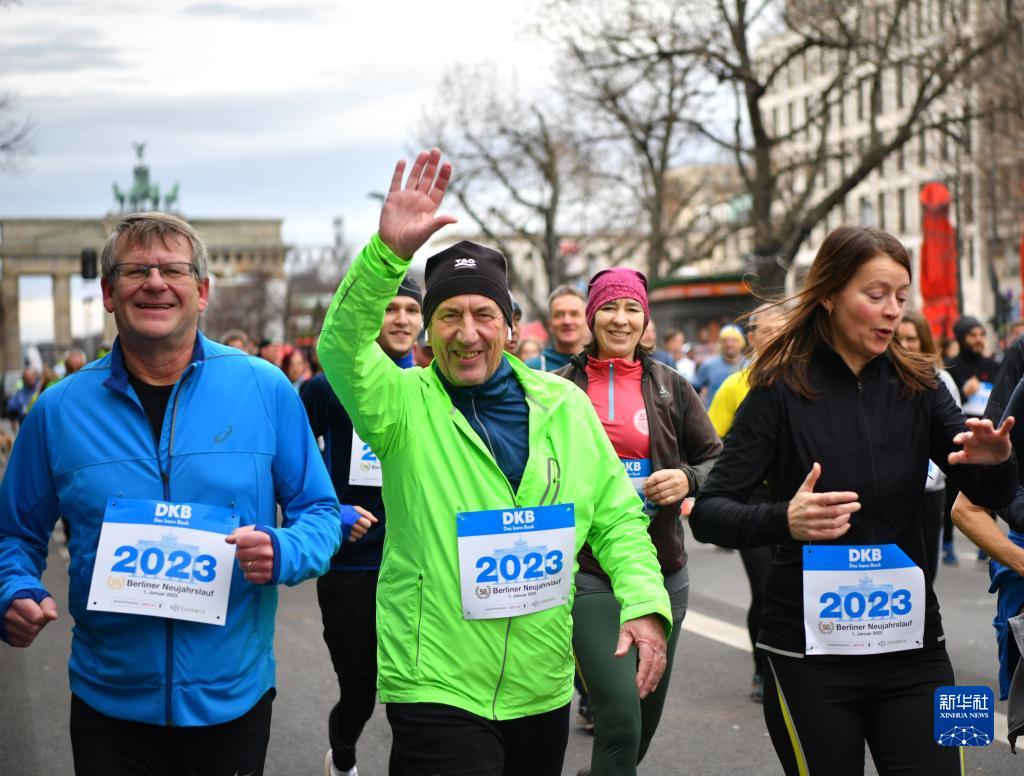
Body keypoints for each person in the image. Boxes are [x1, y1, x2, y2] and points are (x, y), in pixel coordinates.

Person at [317, 148, 672, 776]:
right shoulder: (399, 405)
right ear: (428, 331)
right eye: (448, 316)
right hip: (434, 679)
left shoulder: (563, 405)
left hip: (540, 679)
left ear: (509, 327)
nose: (467, 333)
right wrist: (386, 256)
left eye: (484, 314)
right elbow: (340, 347)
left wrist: (644, 601)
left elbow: (617, 517)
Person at [0, 212, 341, 776]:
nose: (154, 282)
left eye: (173, 270)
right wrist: (13, 589)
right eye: (135, 271)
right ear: (108, 294)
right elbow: (12, 534)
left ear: (202, 291)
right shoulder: (57, 410)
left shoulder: (265, 389)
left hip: (231, 699)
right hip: (109, 705)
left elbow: (321, 512)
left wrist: (285, 549)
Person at [688, 225, 1018, 776]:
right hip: (807, 655)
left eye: (901, 297)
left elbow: (986, 496)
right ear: (829, 294)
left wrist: (998, 464)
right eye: (876, 294)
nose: (892, 311)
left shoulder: (922, 385)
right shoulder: (776, 388)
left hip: (918, 647)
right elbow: (709, 514)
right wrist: (785, 519)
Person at [555, 267, 721, 776]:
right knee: (621, 719)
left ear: (645, 318)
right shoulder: (557, 388)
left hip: (664, 571)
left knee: (641, 728)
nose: (620, 319)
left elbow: (718, 460)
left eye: (632, 308)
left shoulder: (672, 385)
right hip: (589, 572)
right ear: (592, 317)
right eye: (608, 307)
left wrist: (686, 479)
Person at [303, 274, 423, 776]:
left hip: (415, 564)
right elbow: (292, 461)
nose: (401, 319)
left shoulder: (432, 388)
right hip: (351, 565)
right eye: (390, 308)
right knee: (359, 690)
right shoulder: (328, 387)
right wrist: (331, 511)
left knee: (413, 695)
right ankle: (343, 757)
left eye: (411, 310)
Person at [706, 302, 786, 703]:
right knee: (765, 587)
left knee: (793, 586)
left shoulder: (808, 382)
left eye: (783, 331)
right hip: (751, 500)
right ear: (751, 338)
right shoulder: (735, 386)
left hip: (795, 496)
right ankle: (762, 669)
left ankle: (796, 664)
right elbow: (707, 443)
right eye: (767, 332)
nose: (776, 339)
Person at [896, 309, 962, 580]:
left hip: (929, 491)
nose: (904, 345)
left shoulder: (941, 380)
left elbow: (953, 435)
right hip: (892, 491)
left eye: (911, 338)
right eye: (898, 338)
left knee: (925, 571)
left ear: (923, 340)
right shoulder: (881, 377)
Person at [525, 285, 588, 371]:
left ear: (587, 320)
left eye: (574, 314)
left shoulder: (600, 364)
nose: (567, 321)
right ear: (549, 323)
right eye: (559, 315)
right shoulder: (532, 369)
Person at [692, 325, 745, 406]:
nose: (729, 344)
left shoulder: (750, 366)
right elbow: (694, 389)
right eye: (725, 340)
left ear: (741, 343)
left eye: (734, 340)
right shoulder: (709, 365)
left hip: (742, 413)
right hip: (714, 413)